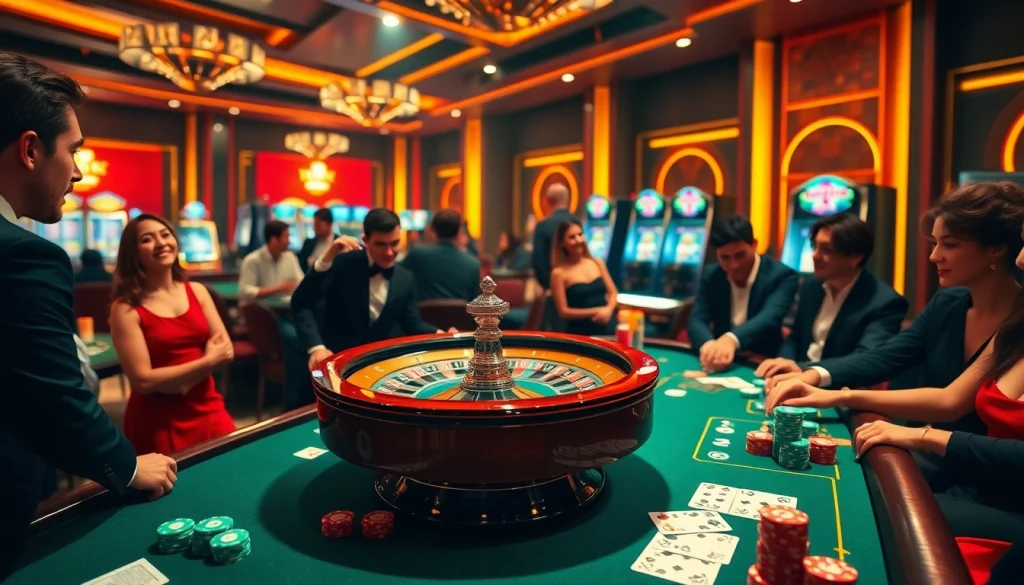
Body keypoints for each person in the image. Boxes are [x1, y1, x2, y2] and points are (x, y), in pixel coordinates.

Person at [0, 51, 175, 578]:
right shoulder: (24, 254)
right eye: (74, 151)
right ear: (31, 149)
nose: (79, 172)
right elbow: (55, 398)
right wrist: (126, 467)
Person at [766, 182, 1024, 402]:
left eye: (950, 245)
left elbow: (950, 402)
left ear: (996, 249)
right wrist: (813, 373)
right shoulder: (947, 303)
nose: (934, 256)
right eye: (934, 244)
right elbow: (886, 357)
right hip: (923, 438)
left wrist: (837, 396)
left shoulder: (1019, 319)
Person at [109, 214, 236, 454]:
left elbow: (226, 352)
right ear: (133, 252)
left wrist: (182, 382)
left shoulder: (197, 291)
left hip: (208, 404)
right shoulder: (125, 308)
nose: (161, 243)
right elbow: (143, 381)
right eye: (147, 239)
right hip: (158, 418)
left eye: (165, 235)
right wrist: (207, 362)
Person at [294, 208, 457, 371]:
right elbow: (302, 302)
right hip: (338, 361)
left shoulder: (405, 278)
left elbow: (412, 323)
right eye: (380, 244)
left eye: (394, 243)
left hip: (382, 365)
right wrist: (317, 348)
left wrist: (441, 334)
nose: (389, 252)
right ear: (365, 240)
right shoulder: (343, 264)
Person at [756, 214, 907, 378]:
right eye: (815, 246)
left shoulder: (885, 302)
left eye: (826, 250)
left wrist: (804, 369)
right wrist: (784, 362)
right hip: (798, 377)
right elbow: (795, 338)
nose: (815, 255)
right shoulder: (811, 285)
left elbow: (865, 360)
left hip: (838, 386)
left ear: (856, 257)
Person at [687, 215, 798, 371]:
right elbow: (697, 319)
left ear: (754, 245)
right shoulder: (710, 275)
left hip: (763, 359)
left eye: (740, 255)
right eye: (725, 257)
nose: (734, 265)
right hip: (720, 358)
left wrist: (731, 339)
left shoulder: (782, 275)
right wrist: (709, 345)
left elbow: (770, 317)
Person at [549, 219, 618, 336]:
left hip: (608, 326)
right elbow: (563, 312)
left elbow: (613, 292)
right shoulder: (558, 273)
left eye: (580, 234)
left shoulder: (597, 262)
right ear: (561, 243)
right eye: (572, 237)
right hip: (581, 333)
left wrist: (608, 310)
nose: (578, 240)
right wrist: (596, 311)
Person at [401, 209, 481, 302]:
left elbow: (398, 278)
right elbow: (474, 300)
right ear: (459, 231)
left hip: (421, 311)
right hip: (460, 312)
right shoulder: (473, 264)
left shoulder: (417, 254)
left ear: (432, 230)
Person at [238, 219, 304, 302]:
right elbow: (245, 292)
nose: (289, 241)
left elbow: (301, 282)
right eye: (286, 237)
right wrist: (278, 288)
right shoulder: (252, 260)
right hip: (260, 308)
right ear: (274, 240)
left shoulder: (290, 257)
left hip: (286, 308)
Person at [531, 184, 576, 290]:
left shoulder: (542, 226)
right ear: (568, 199)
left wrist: (548, 286)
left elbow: (538, 262)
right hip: (578, 286)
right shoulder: (578, 223)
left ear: (547, 201)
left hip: (553, 288)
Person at [296, 207, 337, 272]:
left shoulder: (338, 243)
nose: (314, 228)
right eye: (314, 225)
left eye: (318, 225)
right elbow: (300, 266)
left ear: (330, 225)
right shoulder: (309, 243)